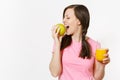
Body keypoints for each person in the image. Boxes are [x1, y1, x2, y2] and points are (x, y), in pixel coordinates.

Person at [49, 4, 110, 80]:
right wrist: (57, 44)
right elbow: (55, 73)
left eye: (68, 18)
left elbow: (97, 77)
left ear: (79, 21)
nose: (64, 20)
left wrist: (102, 64)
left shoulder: (95, 45)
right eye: (64, 17)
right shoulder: (60, 42)